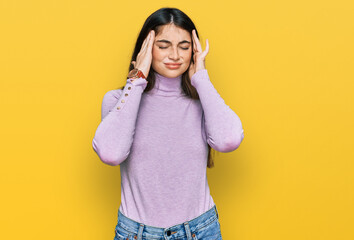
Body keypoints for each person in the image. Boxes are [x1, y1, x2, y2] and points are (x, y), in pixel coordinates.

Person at [92, 7, 244, 240]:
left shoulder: (203, 103)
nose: (175, 55)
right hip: (136, 233)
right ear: (146, 48)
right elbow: (111, 153)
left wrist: (201, 78)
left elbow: (229, 140)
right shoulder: (118, 100)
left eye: (184, 47)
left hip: (200, 231)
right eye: (163, 46)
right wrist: (137, 80)